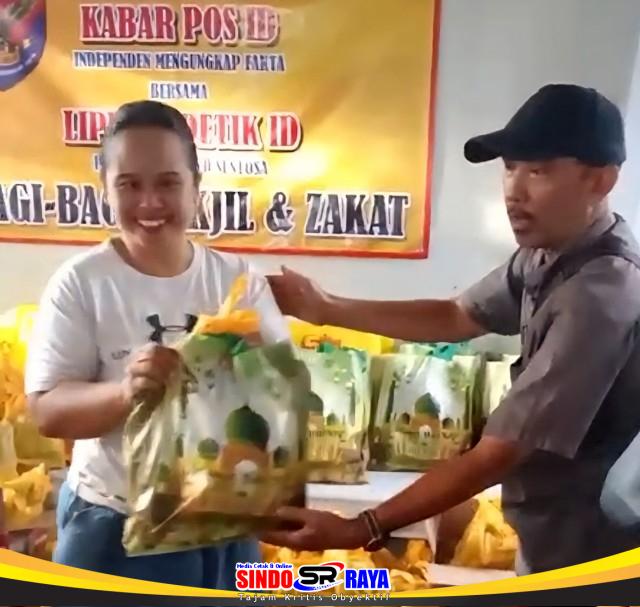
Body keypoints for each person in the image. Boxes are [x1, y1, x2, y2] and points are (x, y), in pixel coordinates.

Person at [263, 84, 640, 576]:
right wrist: (323, 307)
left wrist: (362, 528)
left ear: (600, 180)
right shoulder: (547, 252)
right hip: (548, 532)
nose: (514, 191)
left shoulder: (601, 293)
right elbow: (455, 317)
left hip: (592, 551)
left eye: (539, 171)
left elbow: (498, 453)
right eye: (510, 167)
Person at [25, 100, 289, 588]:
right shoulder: (82, 283)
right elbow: (47, 412)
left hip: (223, 522)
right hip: (115, 525)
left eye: (168, 183)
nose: (149, 203)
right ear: (106, 189)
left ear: (195, 188)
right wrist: (125, 392)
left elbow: (283, 400)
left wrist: (258, 369)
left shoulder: (237, 279)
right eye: (129, 184)